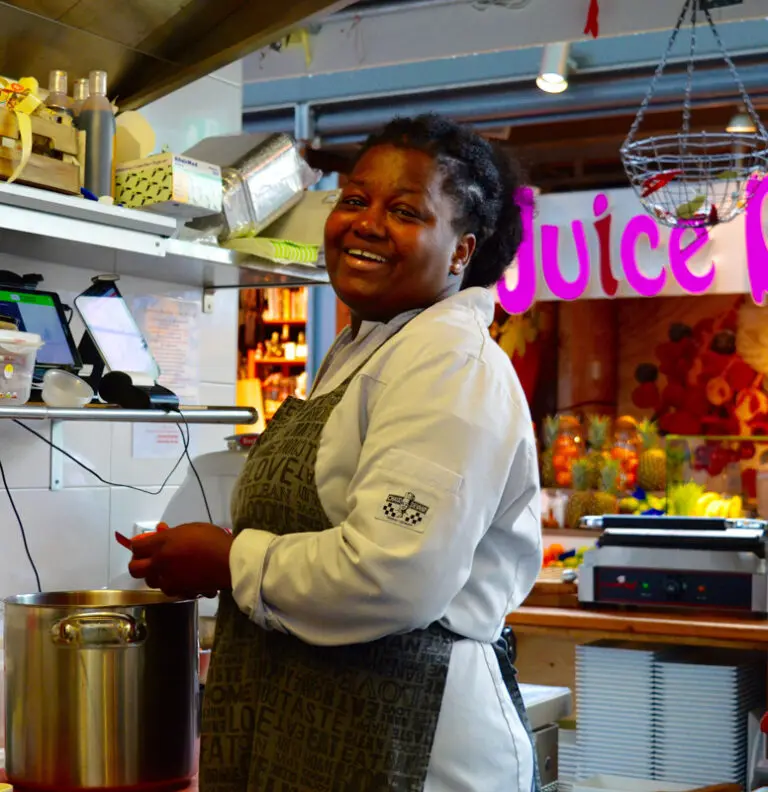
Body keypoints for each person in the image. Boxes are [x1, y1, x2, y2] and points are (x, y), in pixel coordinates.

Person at [128, 113, 542, 792]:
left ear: (462, 251)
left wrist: (230, 559)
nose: (367, 222)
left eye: (405, 210)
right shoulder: (367, 347)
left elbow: (393, 575)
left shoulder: (448, 361)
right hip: (325, 726)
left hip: (409, 739)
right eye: (354, 199)